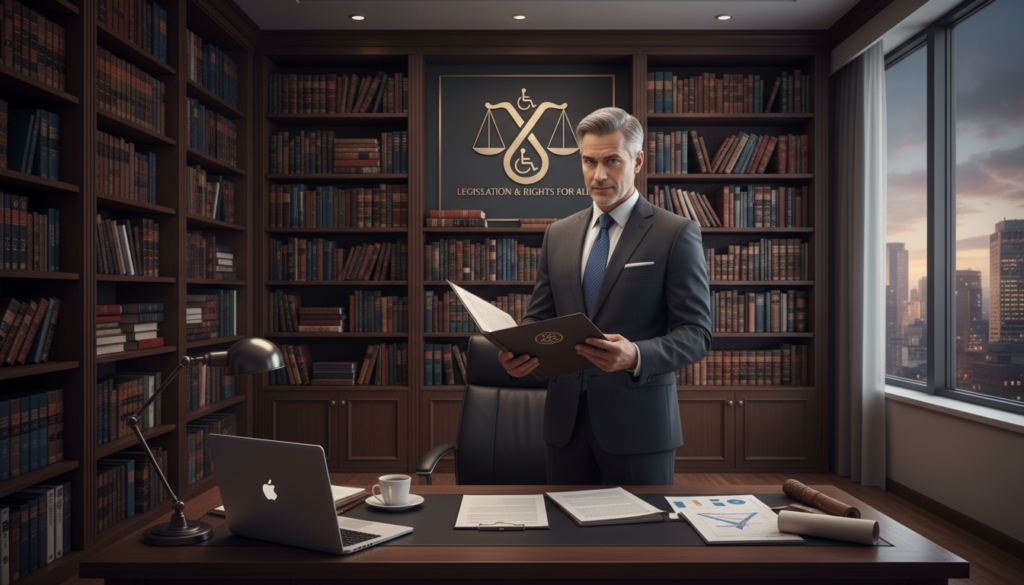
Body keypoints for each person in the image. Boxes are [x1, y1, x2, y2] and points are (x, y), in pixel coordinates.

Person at [498, 106, 712, 485]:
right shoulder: (558, 234)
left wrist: (637, 355)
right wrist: (520, 350)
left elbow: (696, 333)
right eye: (589, 161)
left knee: (640, 542)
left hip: (639, 426)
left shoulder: (675, 233)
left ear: (637, 160)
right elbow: (539, 317)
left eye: (612, 161)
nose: (599, 175)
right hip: (564, 427)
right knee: (561, 540)